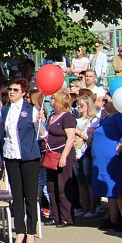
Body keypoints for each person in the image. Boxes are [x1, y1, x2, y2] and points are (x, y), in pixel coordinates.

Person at [0, 78, 41, 243]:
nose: (12, 92)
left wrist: (40, 121)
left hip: (29, 157)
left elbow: (40, 134)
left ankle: (31, 232)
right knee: (17, 195)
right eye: (10, 89)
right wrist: (0, 157)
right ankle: (20, 232)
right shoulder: (5, 110)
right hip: (11, 156)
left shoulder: (31, 109)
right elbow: (2, 134)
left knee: (30, 196)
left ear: (23, 92)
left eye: (16, 89)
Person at [91, 92, 122, 232]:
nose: (104, 103)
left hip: (115, 160)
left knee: (118, 191)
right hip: (103, 161)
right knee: (110, 191)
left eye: (107, 101)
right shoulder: (107, 117)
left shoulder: (121, 116)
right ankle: (113, 219)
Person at [44, 88, 77, 227]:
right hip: (51, 154)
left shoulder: (67, 117)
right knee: (52, 186)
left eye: (53, 98)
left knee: (63, 186)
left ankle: (67, 217)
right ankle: (55, 216)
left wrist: (64, 156)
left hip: (62, 154)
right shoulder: (52, 116)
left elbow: (70, 138)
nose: (50, 101)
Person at [74, 93, 98, 217]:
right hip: (76, 152)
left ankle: (93, 209)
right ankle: (84, 208)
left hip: (86, 153)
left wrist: (77, 131)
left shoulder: (93, 120)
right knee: (81, 182)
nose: (79, 107)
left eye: (82, 105)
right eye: (78, 104)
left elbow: (89, 138)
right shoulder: (76, 119)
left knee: (89, 182)